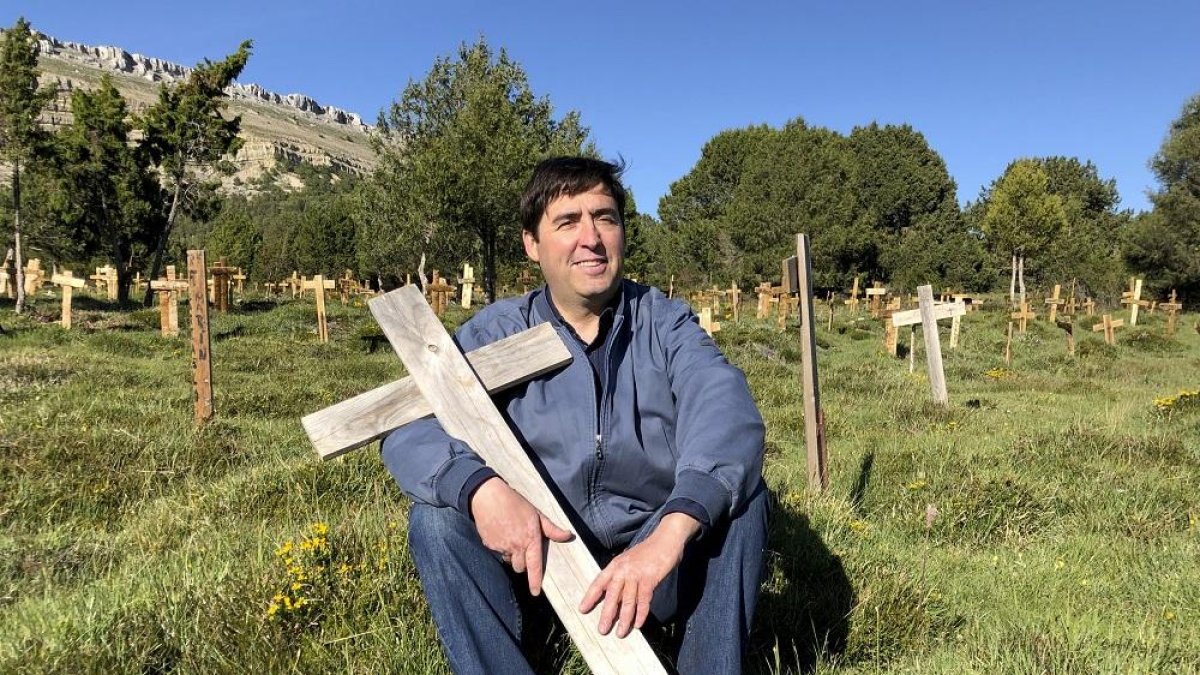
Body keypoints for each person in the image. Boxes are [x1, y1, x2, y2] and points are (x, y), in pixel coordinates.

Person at [382, 157, 768, 674]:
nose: (591, 238)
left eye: (605, 218)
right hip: (536, 564)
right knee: (436, 521)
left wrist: (671, 532)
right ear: (532, 244)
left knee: (738, 497)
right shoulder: (495, 332)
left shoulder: (663, 323)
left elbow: (724, 406)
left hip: (651, 563)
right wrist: (481, 490)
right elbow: (408, 424)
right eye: (567, 222)